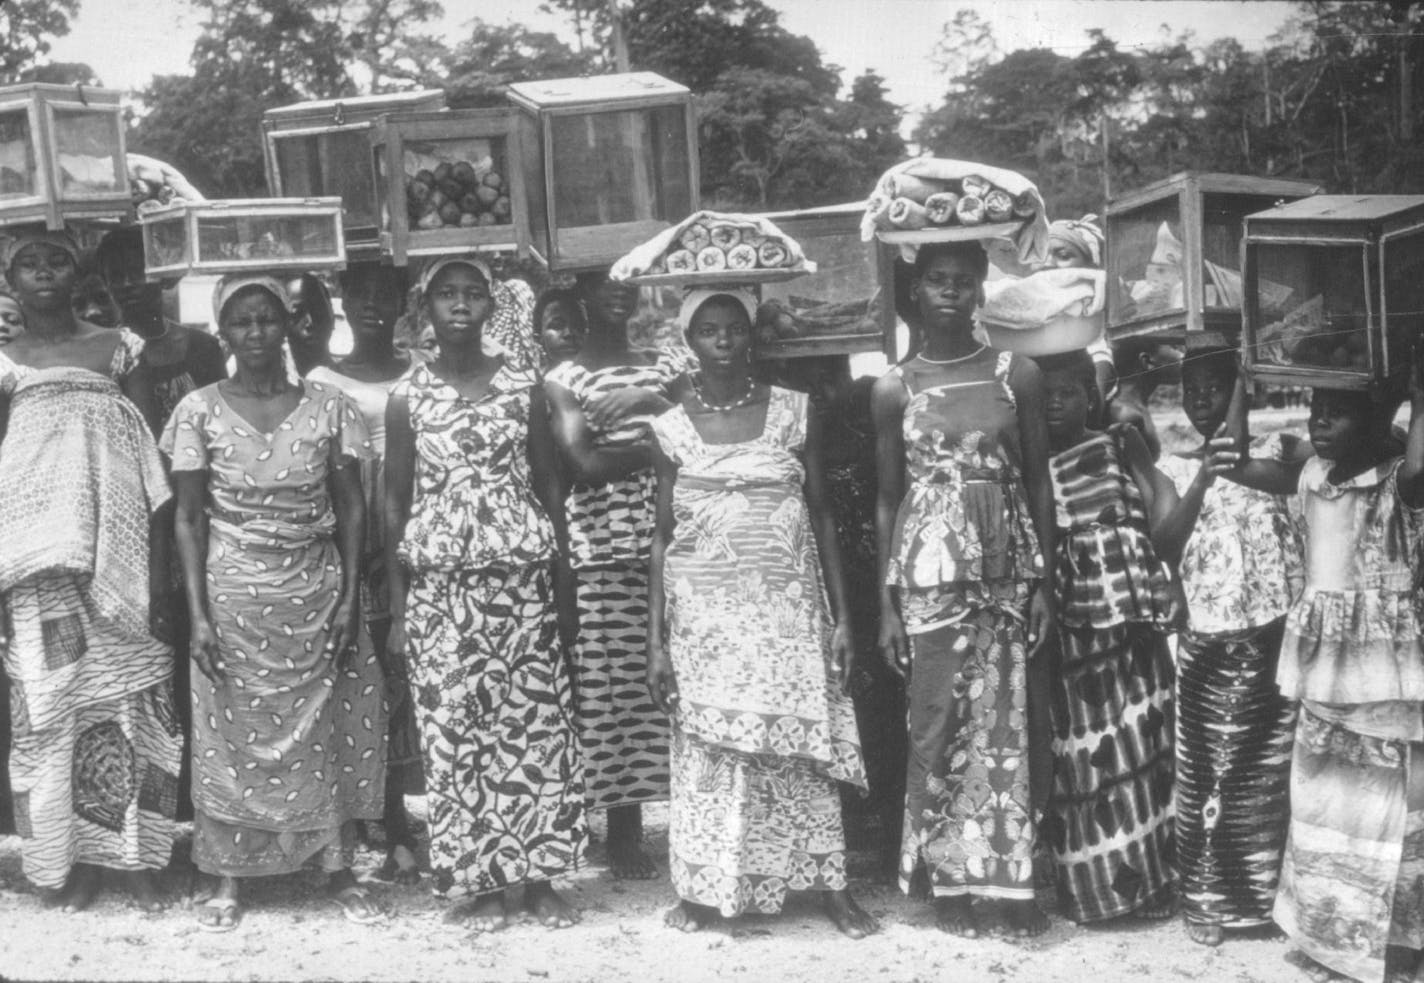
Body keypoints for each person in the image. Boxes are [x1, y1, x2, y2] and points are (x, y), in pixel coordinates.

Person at [645, 290, 876, 938]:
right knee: (712, 750)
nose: (722, 339)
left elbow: (823, 511)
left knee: (801, 744)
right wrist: (654, 641)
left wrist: (843, 617)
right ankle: (702, 887)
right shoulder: (669, 427)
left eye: (734, 328)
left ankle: (829, 884)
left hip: (785, 611)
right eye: (708, 329)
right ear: (690, 340)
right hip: (705, 620)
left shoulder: (794, 411)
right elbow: (661, 537)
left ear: (751, 336)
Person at [164, 274, 386, 933]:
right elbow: (187, 518)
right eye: (241, 321)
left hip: (314, 588)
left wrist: (350, 595)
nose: (256, 332)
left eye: (267, 319)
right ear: (222, 332)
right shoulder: (198, 409)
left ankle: (336, 865)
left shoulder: (328, 405)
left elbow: (351, 506)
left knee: (326, 726)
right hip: (233, 593)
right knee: (230, 728)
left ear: (289, 325)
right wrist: (198, 614)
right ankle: (229, 871)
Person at [384, 255, 586, 932]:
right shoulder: (406, 397)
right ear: (427, 309)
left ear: (491, 305)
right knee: (455, 730)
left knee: (532, 726)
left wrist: (563, 579)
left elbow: (551, 486)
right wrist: (398, 601)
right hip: (443, 588)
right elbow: (393, 502)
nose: (462, 304)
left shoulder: (524, 388)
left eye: (474, 293)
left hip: (521, 576)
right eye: (448, 294)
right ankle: (475, 877)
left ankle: (538, 876)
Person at [872, 240, 1056, 939]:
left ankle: (1011, 885)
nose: (949, 292)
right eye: (936, 281)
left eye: (962, 281)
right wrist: (887, 601)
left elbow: (1037, 478)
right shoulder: (897, 385)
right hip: (928, 573)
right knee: (938, 722)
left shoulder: (1018, 373)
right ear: (915, 291)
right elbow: (890, 497)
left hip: (1008, 569)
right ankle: (949, 879)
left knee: (1006, 725)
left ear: (980, 290)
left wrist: (1042, 581)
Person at [1222, 373, 1424, 983]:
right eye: (1316, 409)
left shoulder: (1400, 484)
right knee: (1324, 795)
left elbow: (1416, 469)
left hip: (1383, 667)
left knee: (1394, 800)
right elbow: (1230, 457)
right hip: (1323, 665)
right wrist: (1242, 372)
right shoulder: (1310, 476)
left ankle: (1394, 941)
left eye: (1338, 412)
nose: (1319, 422)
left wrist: (1419, 383)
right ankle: (1333, 936)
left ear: (1379, 418)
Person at [0, 228, 180, 913]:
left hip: (122, 565)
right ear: (11, 278)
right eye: (29, 263)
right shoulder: (4, 361)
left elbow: (150, 458)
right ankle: (62, 866)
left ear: (78, 272)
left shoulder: (118, 347)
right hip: (35, 567)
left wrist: (159, 572)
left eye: (57, 260)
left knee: (133, 711)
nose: (45, 273)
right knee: (48, 718)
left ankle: (134, 859)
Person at [1155, 348, 1305, 948]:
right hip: (1210, 639)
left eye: (1216, 388)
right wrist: (1206, 475)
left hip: (1273, 634)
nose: (1202, 400)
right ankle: (1206, 903)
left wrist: (1243, 382)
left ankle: (1258, 902)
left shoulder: (1279, 456)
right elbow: (1165, 541)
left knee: (1265, 779)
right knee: (1206, 775)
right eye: (1193, 390)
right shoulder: (1173, 465)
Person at [1035, 349, 1180, 924]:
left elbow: (1161, 503)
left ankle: (1153, 883)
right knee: (1085, 748)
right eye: (1043, 395)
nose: (1054, 404)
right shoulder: (1028, 456)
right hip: (1074, 617)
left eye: (1067, 392)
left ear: (1089, 396)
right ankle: (1093, 893)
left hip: (1135, 609)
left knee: (1146, 738)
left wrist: (1167, 578)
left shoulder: (1118, 444)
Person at [545, 271, 678, 879]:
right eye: (603, 283)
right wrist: (657, 448)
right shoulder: (564, 378)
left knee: (659, 690)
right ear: (581, 296)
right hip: (598, 548)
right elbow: (583, 463)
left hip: (667, 542)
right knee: (610, 694)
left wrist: (651, 403)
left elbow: (700, 426)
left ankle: (659, 822)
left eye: (627, 282)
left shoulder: (663, 367)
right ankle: (618, 831)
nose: (617, 293)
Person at [308, 260, 425, 884]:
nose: (375, 303)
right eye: (362, 292)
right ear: (343, 301)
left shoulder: (422, 371)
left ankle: (402, 821)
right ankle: (355, 820)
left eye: (388, 293)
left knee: (404, 675)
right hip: (354, 538)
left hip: (411, 529)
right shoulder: (322, 379)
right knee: (360, 673)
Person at [96, 227, 227, 435]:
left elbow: (221, 422)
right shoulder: (106, 355)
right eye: (116, 276)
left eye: (137, 273)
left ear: (161, 274)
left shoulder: (204, 347)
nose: (127, 284)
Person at [1042, 216, 1115, 401]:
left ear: (1091, 265)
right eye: (1043, 255)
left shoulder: (1095, 313)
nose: (1048, 263)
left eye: (1063, 256)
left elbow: (1099, 358)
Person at [1106, 337, 1182, 461]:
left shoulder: (1135, 406)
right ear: (1146, 361)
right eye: (1174, 347)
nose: (1182, 355)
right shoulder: (1126, 415)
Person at [285, 273, 337, 378]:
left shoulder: (352, 380)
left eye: (317, 312)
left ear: (332, 314)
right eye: (297, 314)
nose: (310, 323)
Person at [534, 287, 586, 368]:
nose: (569, 333)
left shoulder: (604, 378)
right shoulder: (521, 379)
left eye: (578, 325)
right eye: (557, 325)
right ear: (538, 338)